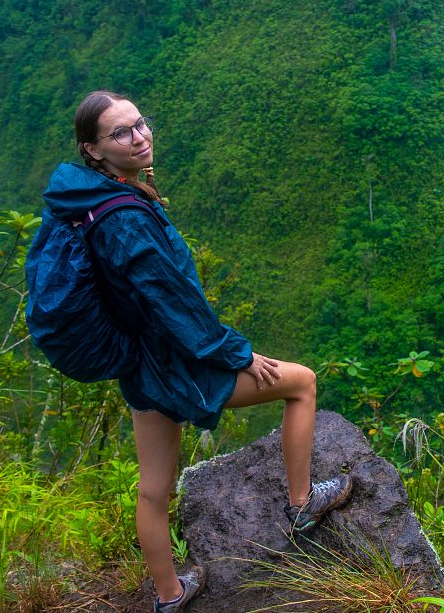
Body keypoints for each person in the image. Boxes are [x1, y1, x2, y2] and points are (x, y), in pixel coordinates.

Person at [45, 90, 353, 612]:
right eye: (121, 133)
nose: (139, 136)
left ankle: (169, 597)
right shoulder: (126, 219)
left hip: (140, 364)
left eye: (140, 124)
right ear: (92, 149)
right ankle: (301, 507)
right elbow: (173, 302)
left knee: (153, 487)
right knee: (301, 383)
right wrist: (234, 353)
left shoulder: (93, 200)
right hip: (176, 363)